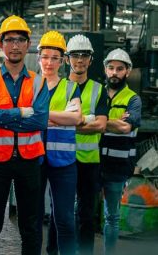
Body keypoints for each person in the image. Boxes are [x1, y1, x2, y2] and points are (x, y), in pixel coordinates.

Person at [0, 15, 49, 255]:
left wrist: (1, 116)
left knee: (30, 225)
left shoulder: (39, 83)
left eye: (21, 40)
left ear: (28, 44)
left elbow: (39, 121)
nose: (15, 45)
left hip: (29, 162)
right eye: (10, 40)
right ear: (1, 44)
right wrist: (20, 114)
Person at [36, 31, 82, 255]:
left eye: (55, 57)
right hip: (33, 159)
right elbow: (20, 117)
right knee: (33, 219)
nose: (49, 62)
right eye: (45, 56)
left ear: (63, 60)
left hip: (64, 163)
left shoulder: (71, 87)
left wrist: (40, 116)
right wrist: (58, 116)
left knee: (64, 219)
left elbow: (76, 118)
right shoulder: (30, 86)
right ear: (39, 58)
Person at [67, 34, 109, 255]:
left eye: (84, 55)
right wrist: (87, 120)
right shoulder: (59, 87)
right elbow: (50, 123)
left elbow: (101, 125)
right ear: (67, 59)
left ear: (91, 60)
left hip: (89, 162)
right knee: (62, 213)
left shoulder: (98, 90)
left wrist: (69, 123)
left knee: (86, 215)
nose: (80, 60)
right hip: (62, 159)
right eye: (75, 55)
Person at [100, 48, 141, 254]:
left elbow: (126, 128)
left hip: (118, 167)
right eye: (111, 68)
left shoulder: (133, 99)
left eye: (119, 69)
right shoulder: (96, 93)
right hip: (92, 162)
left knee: (112, 216)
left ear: (127, 71)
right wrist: (114, 121)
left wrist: (98, 121)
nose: (114, 72)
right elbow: (80, 122)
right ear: (105, 70)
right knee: (81, 210)